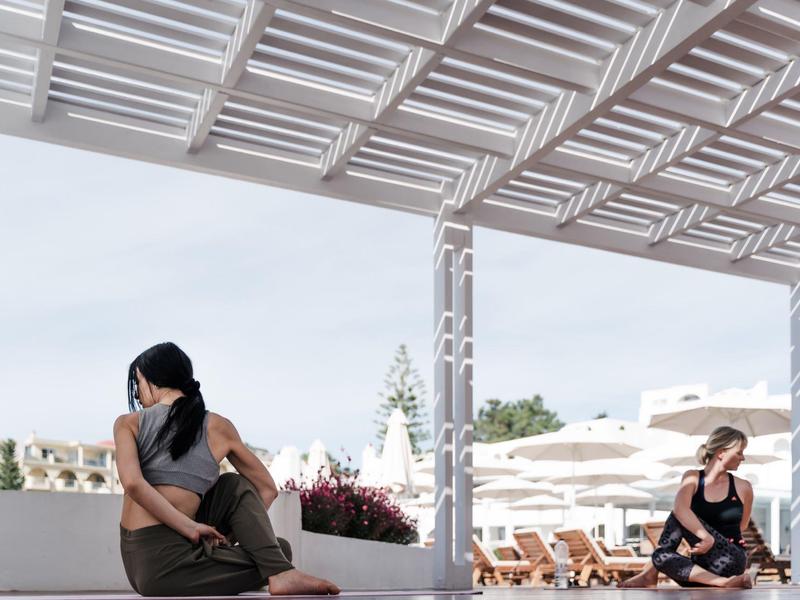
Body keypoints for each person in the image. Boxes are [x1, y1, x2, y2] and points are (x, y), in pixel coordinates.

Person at [115, 342, 340, 596]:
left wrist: (209, 537)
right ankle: (281, 573)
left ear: (152, 381)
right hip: (167, 567)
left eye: (137, 384)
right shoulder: (218, 426)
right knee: (275, 553)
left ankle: (279, 571)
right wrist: (196, 529)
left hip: (140, 564)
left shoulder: (128, 423)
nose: (137, 396)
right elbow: (267, 489)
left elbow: (131, 482)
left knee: (275, 548)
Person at [619, 426, 754, 588]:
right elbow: (681, 509)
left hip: (731, 560)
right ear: (721, 452)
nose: (743, 458)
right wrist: (706, 537)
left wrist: (711, 537)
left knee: (678, 515)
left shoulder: (744, 487)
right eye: (739, 452)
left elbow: (742, 526)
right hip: (700, 570)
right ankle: (723, 583)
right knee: (661, 555)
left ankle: (649, 575)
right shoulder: (693, 477)